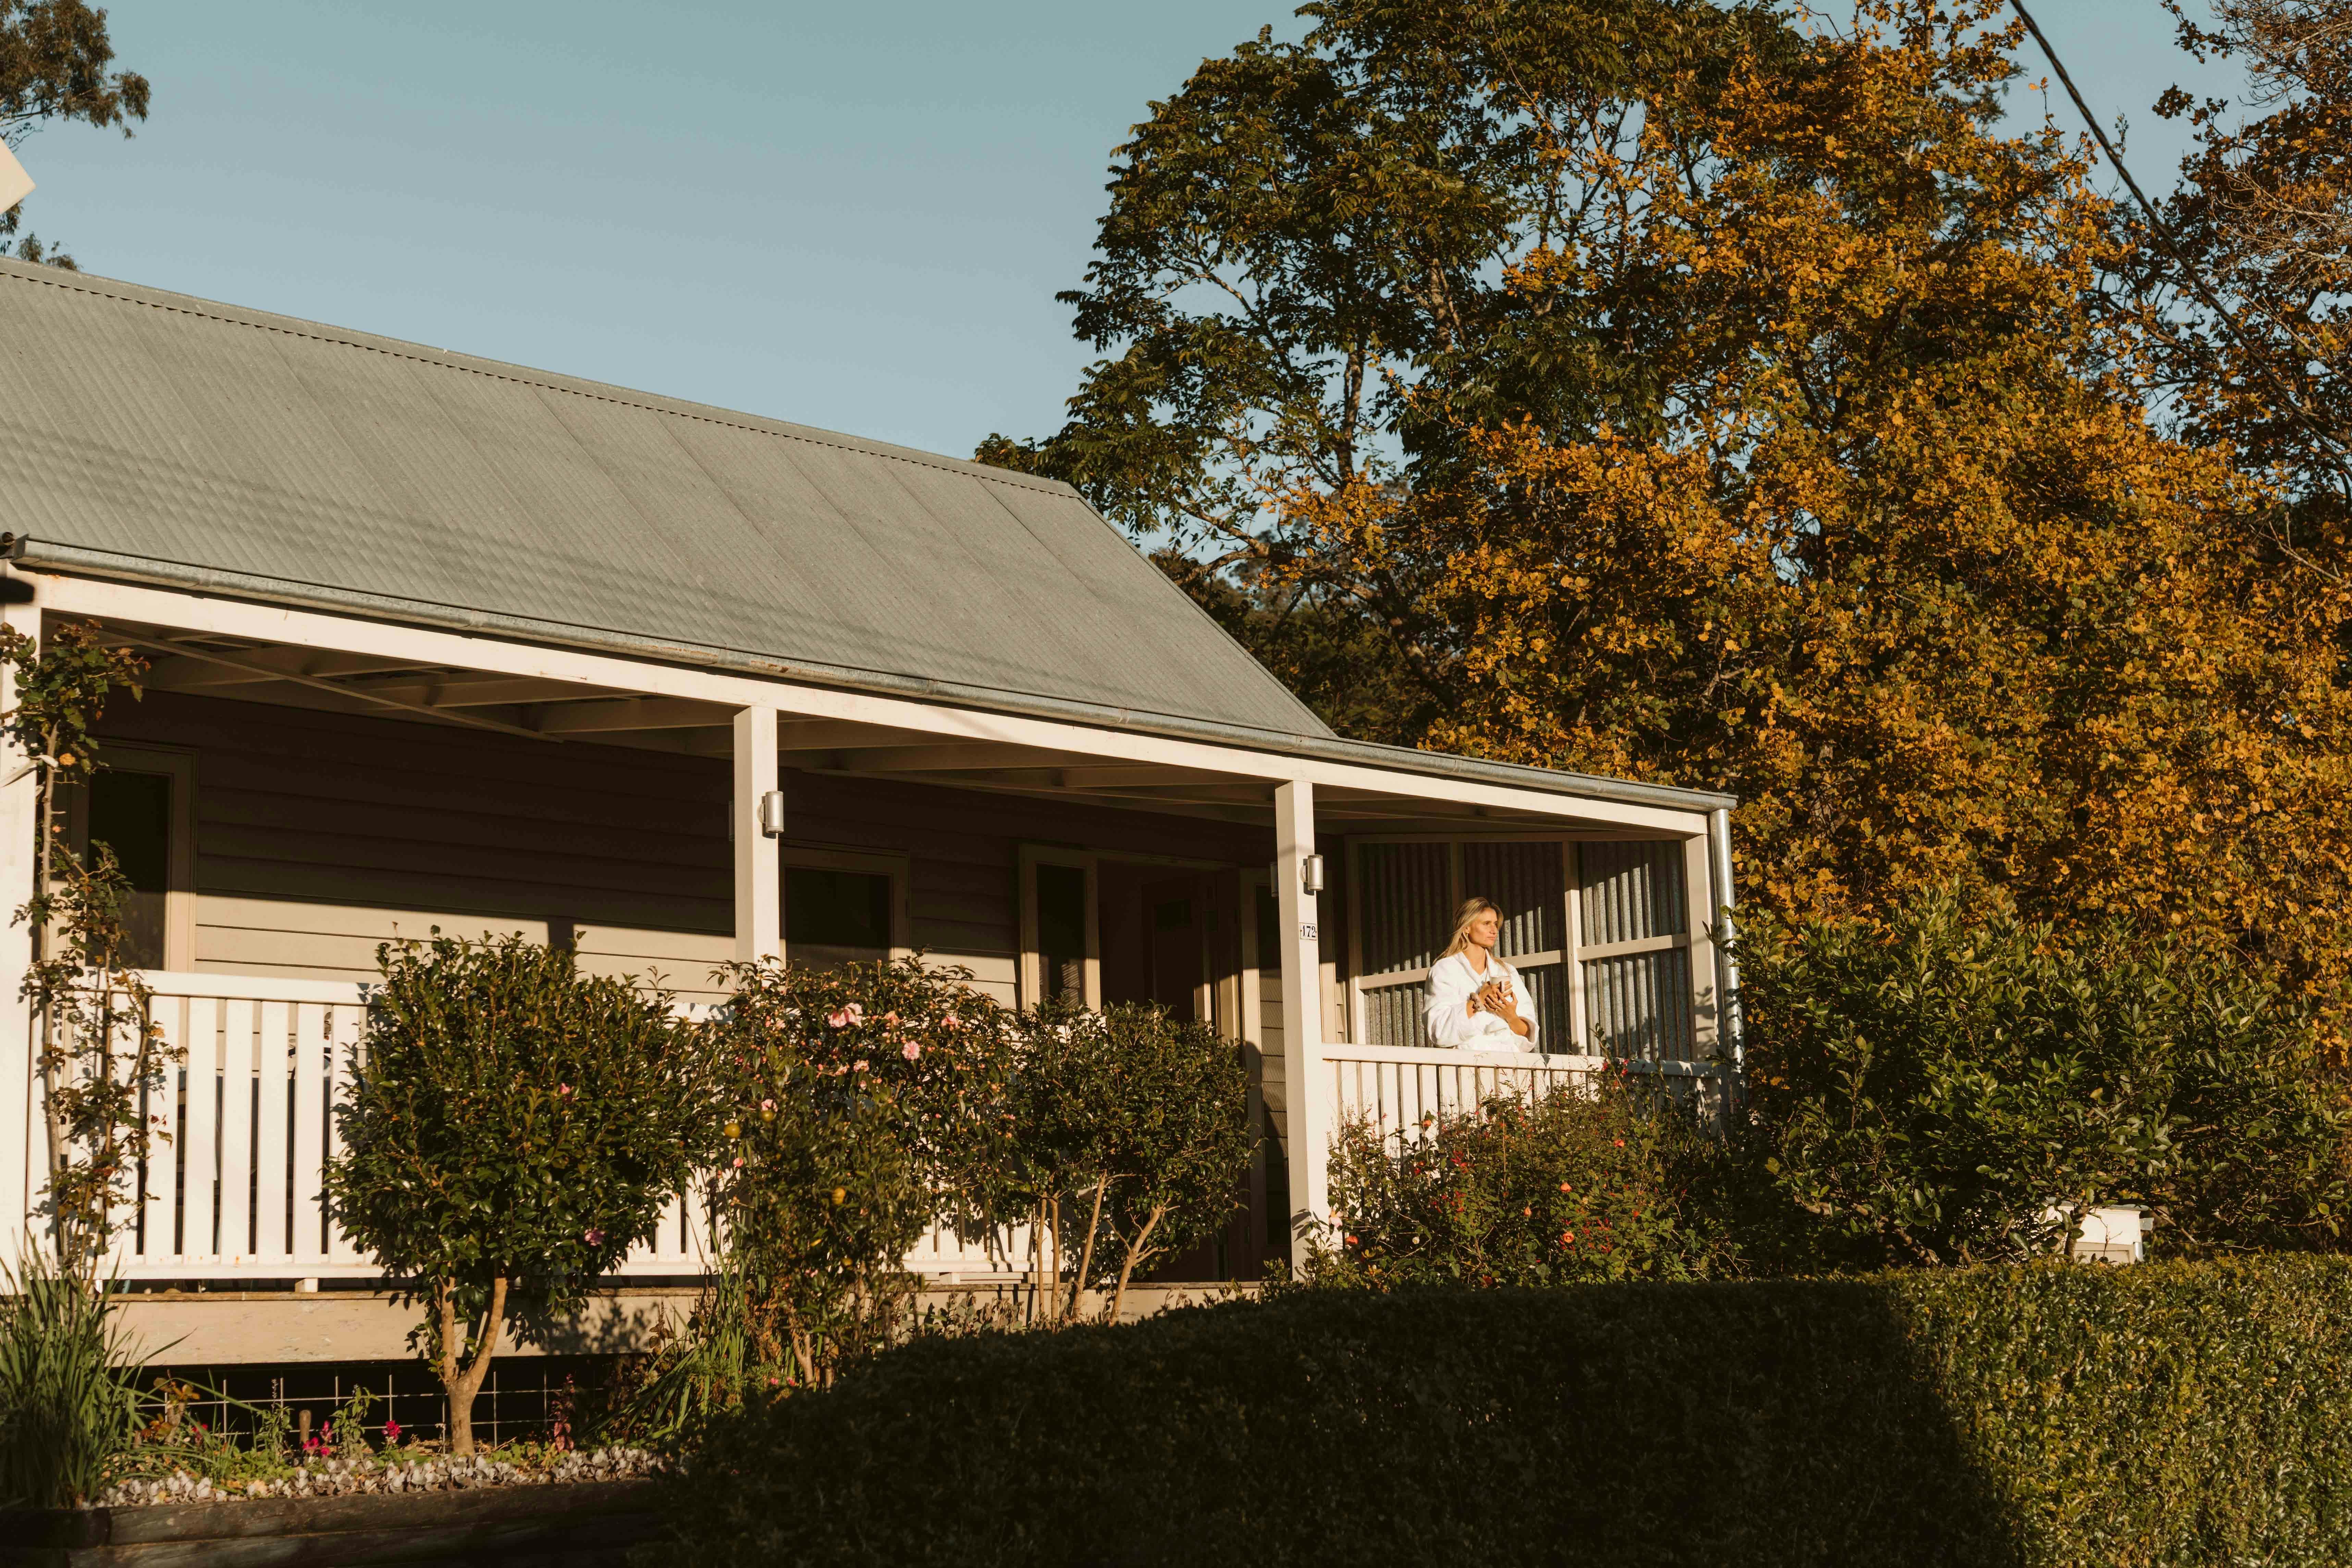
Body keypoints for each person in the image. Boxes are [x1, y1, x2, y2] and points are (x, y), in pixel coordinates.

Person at [1423, 896, 1538, 1051]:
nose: (1494, 930)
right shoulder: (1445, 970)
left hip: (1507, 1065)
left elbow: (1528, 1036)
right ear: (1466, 928)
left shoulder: (1506, 971)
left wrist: (1510, 1016)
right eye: (1486, 924)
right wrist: (1479, 1000)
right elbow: (1439, 1032)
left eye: (1496, 924)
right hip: (1465, 1064)